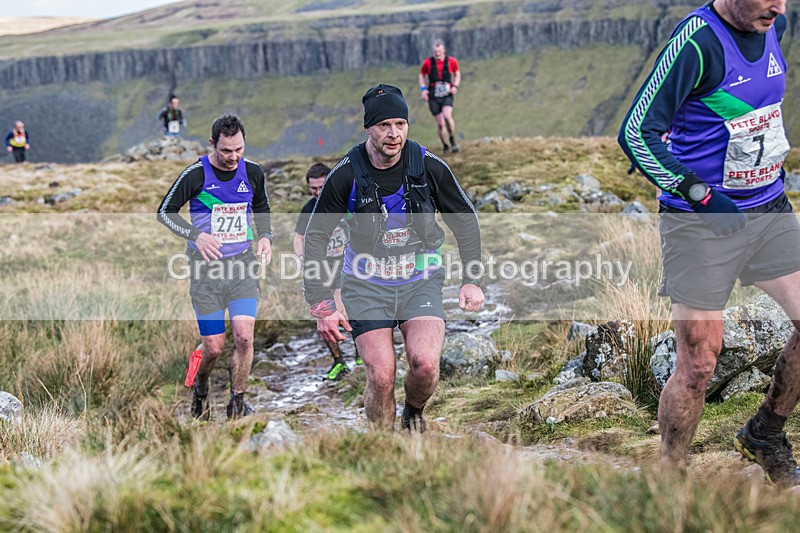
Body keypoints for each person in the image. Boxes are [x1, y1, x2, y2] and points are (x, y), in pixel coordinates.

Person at [619, 0, 800, 486]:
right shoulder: (698, 42)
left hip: (767, 209)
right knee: (699, 362)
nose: (779, 6)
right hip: (700, 221)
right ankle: (671, 479)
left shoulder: (772, 23)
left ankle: (765, 433)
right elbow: (636, 132)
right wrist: (699, 194)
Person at [303, 84, 484, 431]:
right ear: (368, 128)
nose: (393, 133)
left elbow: (465, 219)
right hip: (366, 286)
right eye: (384, 125)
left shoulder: (427, 166)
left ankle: (413, 414)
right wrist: (321, 302)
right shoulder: (345, 174)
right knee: (382, 376)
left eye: (400, 124)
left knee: (425, 365)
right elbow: (316, 236)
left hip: (420, 281)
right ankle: (382, 444)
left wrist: (472, 279)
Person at [158, 113, 272, 420]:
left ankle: (237, 402)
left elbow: (261, 206)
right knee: (213, 348)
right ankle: (200, 387)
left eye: (239, 149)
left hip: (242, 267)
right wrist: (196, 235)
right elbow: (165, 212)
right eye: (226, 151)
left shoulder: (252, 172)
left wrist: (266, 237)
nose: (233, 157)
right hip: (206, 272)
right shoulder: (196, 174)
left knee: (244, 337)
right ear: (212, 144)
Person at [294, 162, 362, 381]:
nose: (317, 192)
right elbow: (299, 237)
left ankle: (361, 355)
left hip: (345, 265)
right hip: (320, 269)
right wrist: (301, 257)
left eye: (321, 187)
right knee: (321, 313)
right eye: (313, 188)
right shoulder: (308, 209)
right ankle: (338, 362)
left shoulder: (344, 201)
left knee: (343, 306)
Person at [419, 39, 462, 154]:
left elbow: (457, 73)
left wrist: (455, 86)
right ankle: (445, 145)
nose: (437, 53)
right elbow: (421, 75)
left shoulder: (451, 61)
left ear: (444, 50)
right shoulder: (427, 63)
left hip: (447, 94)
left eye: (439, 51)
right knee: (440, 123)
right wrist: (423, 89)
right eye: (435, 52)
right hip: (433, 95)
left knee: (447, 116)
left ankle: (452, 138)